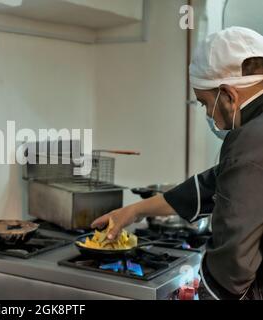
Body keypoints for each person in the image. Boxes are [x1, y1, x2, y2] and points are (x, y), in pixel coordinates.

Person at [91, 27, 263, 300]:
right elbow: (213, 184)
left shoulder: (249, 139)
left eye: (205, 103)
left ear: (229, 95)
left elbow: (232, 266)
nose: (208, 114)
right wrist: (135, 211)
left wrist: (207, 294)